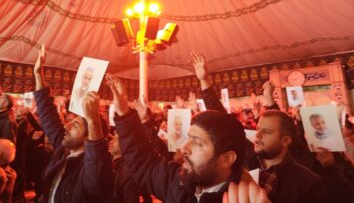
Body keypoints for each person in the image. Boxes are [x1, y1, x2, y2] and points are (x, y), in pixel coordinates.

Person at [108, 74, 253, 203]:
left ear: (226, 159)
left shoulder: (247, 198)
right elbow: (143, 162)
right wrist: (124, 114)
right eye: (189, 138)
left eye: (197, 143)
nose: (184, 148)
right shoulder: (179, 183)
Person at [33, 48, 113, 202]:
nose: (66, 126)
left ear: (87, 138)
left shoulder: (93, 167)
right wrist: (38, 75)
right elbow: (48, 115)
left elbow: (96, 158)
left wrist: (93, 119)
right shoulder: (64, 150)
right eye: (70, 122)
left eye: (76, 126)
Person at [250, 110, 330, 202]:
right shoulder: (244, 169)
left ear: (286, 140)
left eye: (267, 131)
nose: (257, 135)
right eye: (258, 129)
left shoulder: (308, 183)